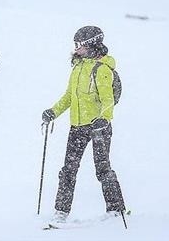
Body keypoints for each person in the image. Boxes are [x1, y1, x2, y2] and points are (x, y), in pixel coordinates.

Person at [42, 26, 125, 227]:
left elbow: (107, 100)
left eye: (79, 45)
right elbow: (69, 96)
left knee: (103, 169)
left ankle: (116, 209)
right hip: (77, 126)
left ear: (91, 45)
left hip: (98, 127)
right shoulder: (77, 67)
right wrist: (53, 111)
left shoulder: (102, 69)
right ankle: (61, 211)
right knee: (68, 169)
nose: (75, 49)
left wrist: (104, 118)